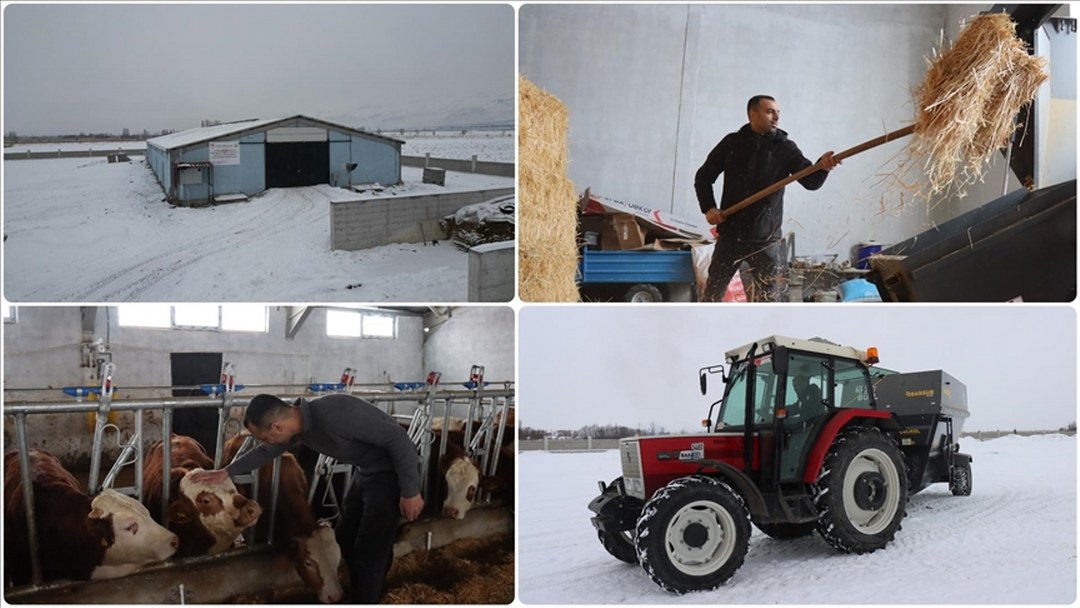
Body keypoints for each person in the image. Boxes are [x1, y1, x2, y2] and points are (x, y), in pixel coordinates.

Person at [190, 393, 423, 604]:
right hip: (367, 470)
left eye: (264, 437)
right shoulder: (300, 427)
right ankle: (367, 586)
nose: (265, 442)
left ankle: (366, 597)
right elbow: (267, 451)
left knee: (369, 548)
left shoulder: (334, 414)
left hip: (391, 474)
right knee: (346, 534)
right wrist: (227, 471)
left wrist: (410, 491)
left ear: (277, 427)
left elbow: (398, 439)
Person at [695, 95, 842, 302]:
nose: (776, 117)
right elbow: (703, 177)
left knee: (769, 299)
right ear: (752, 114)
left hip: (766, 239)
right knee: (712, 295)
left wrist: (823, 166)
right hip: (731, 235)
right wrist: (708, 208)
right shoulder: (732, 143)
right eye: (770, 111)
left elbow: (811, 182)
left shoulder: (785, 147)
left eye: (778, 112)